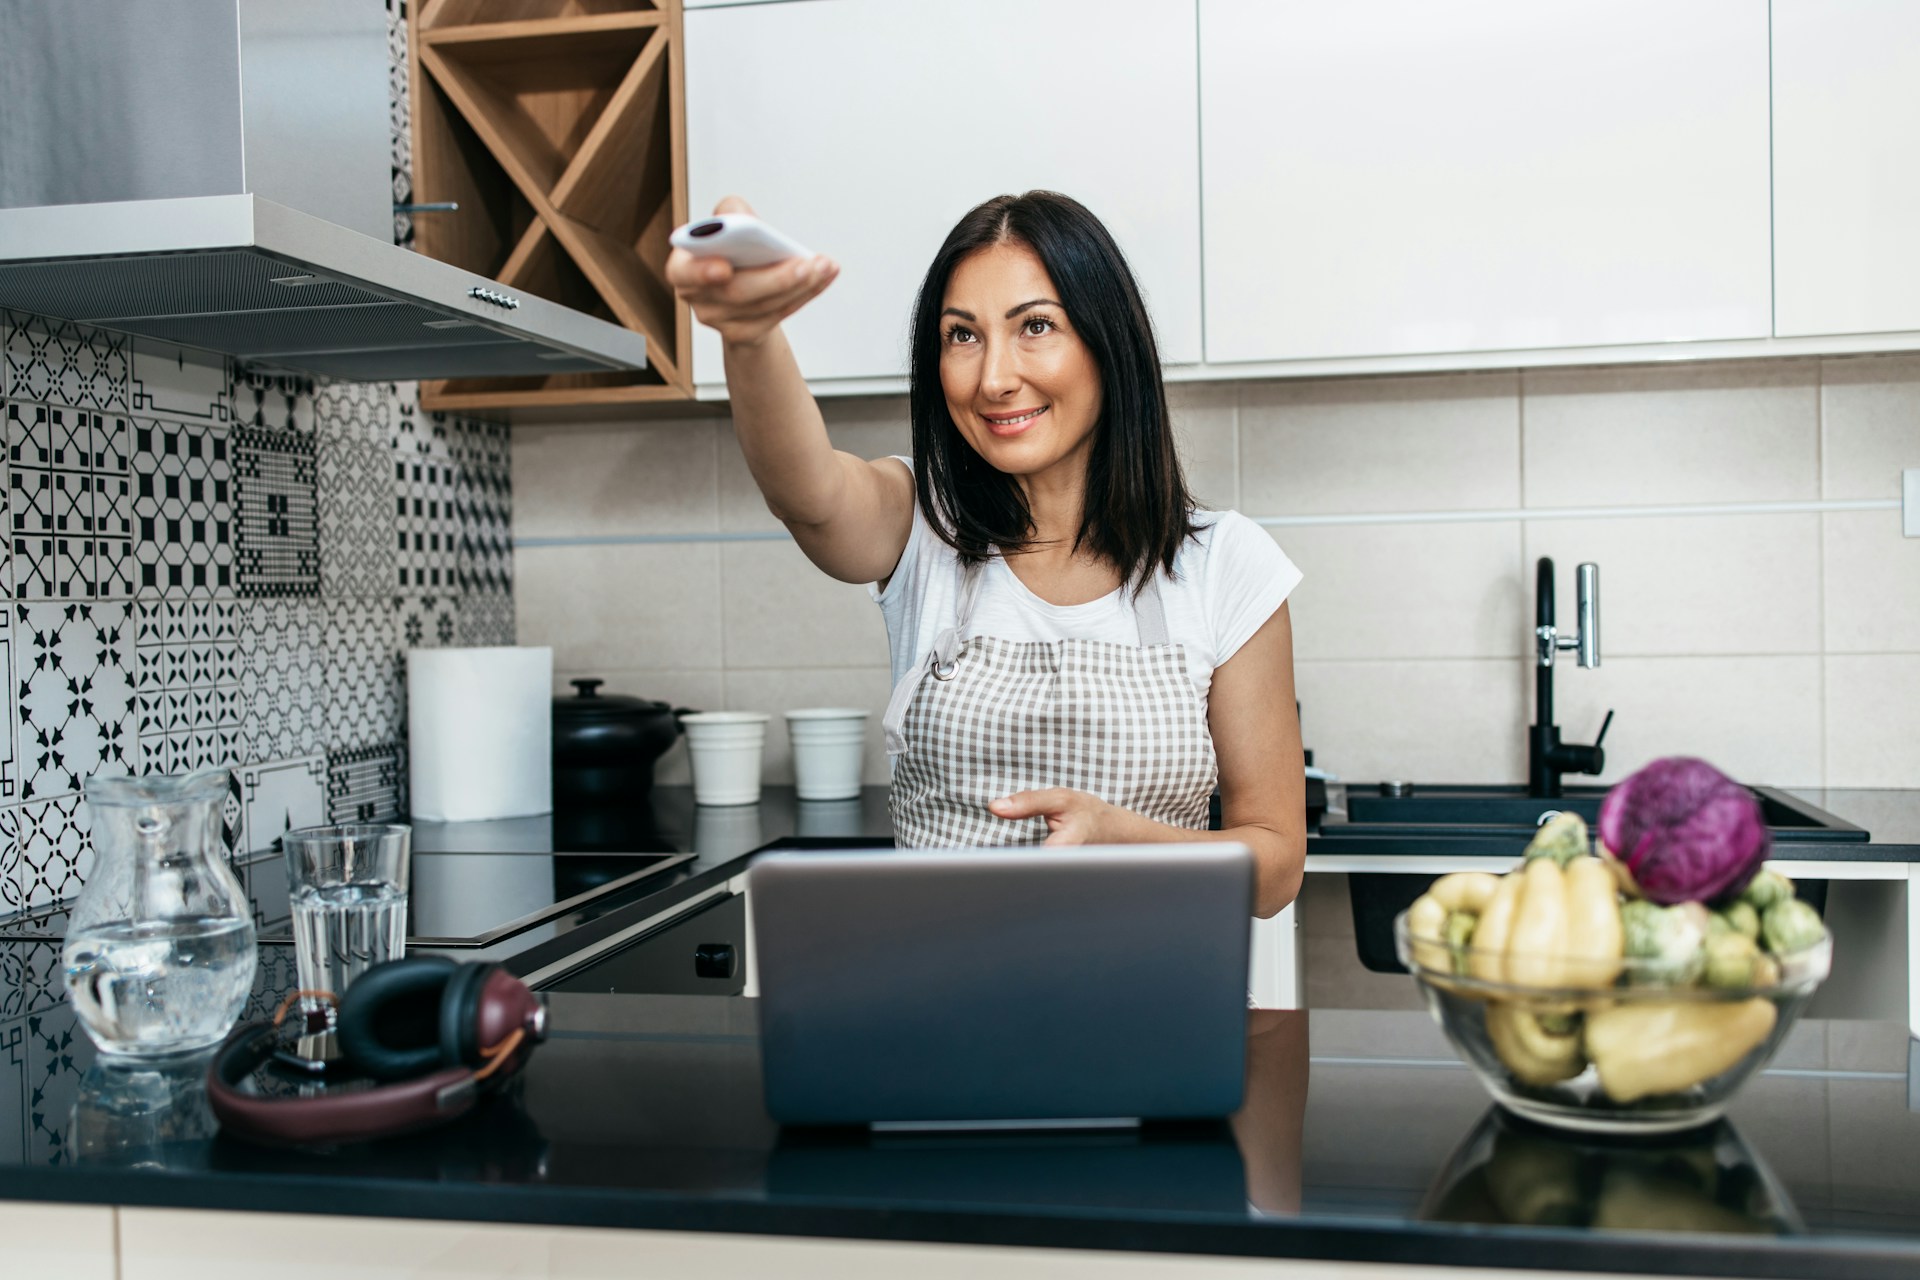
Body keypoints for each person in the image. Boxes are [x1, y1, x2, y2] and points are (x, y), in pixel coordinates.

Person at [667, 191, 1306, 917]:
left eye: (1036, 326)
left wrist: (1124, 840)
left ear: (1108, 341)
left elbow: (1277, 864)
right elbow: (808, 494)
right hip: (944, 1010)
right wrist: (751, 339)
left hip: (1156, 1010)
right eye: (962, 336)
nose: (994, 377)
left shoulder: (1225, 564)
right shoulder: (920, 529)